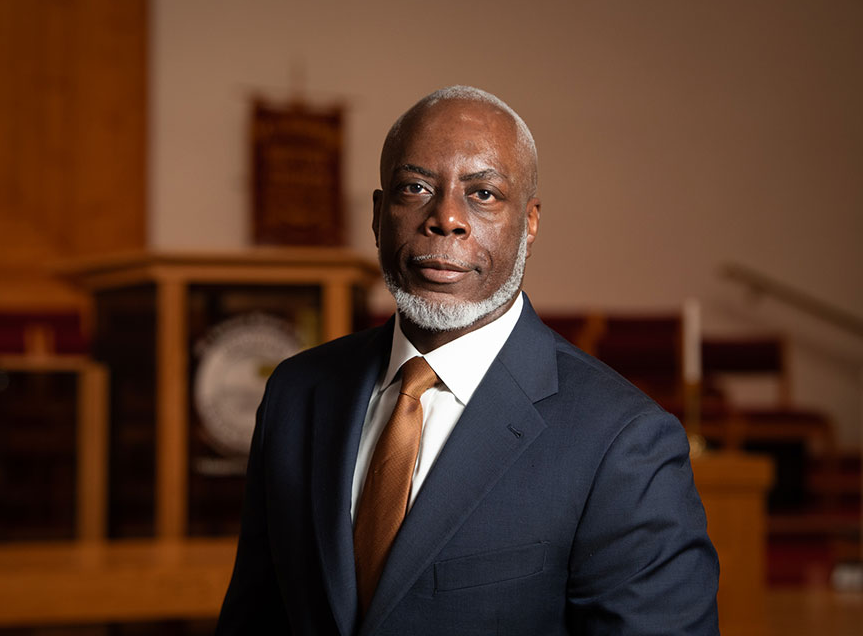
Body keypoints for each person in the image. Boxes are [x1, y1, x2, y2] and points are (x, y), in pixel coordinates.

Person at [216, 85, 719, 635]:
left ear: (529, 222)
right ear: (380, 215)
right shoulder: (297, 393)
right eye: (416, 187)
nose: (446, 218)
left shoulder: (623, 442)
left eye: (482, 194)